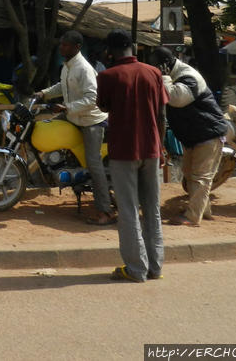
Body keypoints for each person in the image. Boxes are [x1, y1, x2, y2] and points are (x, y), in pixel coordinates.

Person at [96, 29, 168, 283]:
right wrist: (160, 149)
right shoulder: (154, 73)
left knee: (128, 210)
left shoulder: (107, 75)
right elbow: (162, 116)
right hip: (151, 149)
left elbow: (103, 106)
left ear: (109, 51)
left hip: (123, 151)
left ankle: (136, 269)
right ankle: (155, 267)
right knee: (152, 209)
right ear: (133, 47)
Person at [34, 30, 114, 225]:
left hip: (91, 121)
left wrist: (66, 107)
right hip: (73, 116)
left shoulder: (84, 69)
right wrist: (43, 93)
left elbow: (92, 99)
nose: (62, 48)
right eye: (61, 44)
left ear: (77, 47)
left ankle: (105, 211)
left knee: (93, 164)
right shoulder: (67, 66)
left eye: (66, 45)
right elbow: (62, 87)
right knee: (47, 126)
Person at [149, 46, 229, 226]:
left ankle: (192, 217)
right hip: (195, 135)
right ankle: (203, 209)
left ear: (165, 65)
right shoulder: (176, 76)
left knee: (201, 176)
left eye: (155, 67)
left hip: (208, 134)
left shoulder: (189, 77)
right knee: (190, 175)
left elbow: (177, 99)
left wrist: (164, 78)